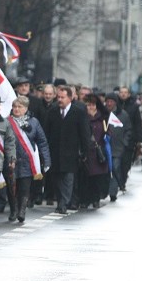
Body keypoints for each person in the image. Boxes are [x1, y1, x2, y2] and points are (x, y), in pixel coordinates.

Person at [44, 85, 90, 214]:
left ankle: (64, 203)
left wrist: (85, 151)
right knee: (57, 179)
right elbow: (46, 133)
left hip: (71, 154)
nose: (59, 100)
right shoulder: (52, 112)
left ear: (70, 98)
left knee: (68, 180)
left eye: (62, 97)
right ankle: (60, 202)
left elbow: (85, 134)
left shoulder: (78, 112)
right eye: (58, 97)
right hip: (55, 153)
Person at [8, 96, 50, 223]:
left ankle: (22, 210)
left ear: (26, 109)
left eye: (19, 107)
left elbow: (42, 142)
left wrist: (46, 160)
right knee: (12, 187)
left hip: (27, 160)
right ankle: (13, 209)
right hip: (12, 160)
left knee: (24, 188)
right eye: (14, 106)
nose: (16, 109)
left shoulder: (34, 122)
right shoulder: (7, 122)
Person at [78, 94, 110, 209]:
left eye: (92, 104)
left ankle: (95, 199)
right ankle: (84, 200)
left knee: (97, 178)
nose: (90, 107)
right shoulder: (82, 117)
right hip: (85, 152)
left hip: (98, 152)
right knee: (84, 178)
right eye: (88, 105)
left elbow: (107, 134)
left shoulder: (103, 119)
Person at [104, 92, 131, 202]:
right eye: (108, 101)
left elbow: (128, 130)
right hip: (104, 147)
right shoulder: (102, 113)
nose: (109, 103)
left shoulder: (123, 115)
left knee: (114, 169)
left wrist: (124, 142)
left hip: (117, 148)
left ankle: (113, 192)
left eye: (112, 101)